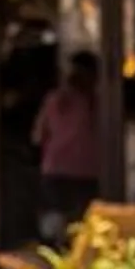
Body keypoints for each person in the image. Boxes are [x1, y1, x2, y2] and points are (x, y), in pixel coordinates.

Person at [29, 51, 101, 237]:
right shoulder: (98, 102)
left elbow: (37, 136)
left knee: (55, 218)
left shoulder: (54, 100)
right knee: (85, 222)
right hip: (89, 169)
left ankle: (55, 254)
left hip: (55, 167)